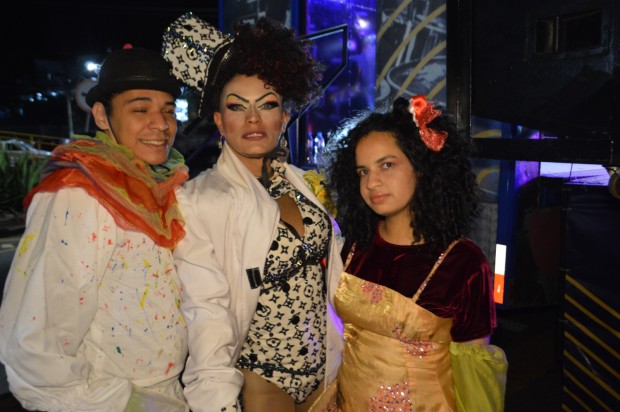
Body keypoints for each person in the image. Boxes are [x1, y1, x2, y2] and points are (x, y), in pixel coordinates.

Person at [162, 12, 344, 412]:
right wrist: (216, 399)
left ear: (285, 116)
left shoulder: (304, 185)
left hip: (328, 373)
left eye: (267, 105)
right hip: (262, 381)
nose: (252, 119)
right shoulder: (199, 199)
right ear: (219, 121)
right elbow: (206, 310)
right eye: (237, 106)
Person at [0, 46, 190, 411]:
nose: (161, 124)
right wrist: (121, 404)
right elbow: (36, 335)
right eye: (140, 109)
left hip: (167, 395)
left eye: (168, 110)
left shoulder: (159, 188)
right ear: (102, 116)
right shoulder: (78, 194)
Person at [310, 95, 508, 411]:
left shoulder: (463, 263)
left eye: (387, 165)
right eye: (362, 172)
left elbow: (475, 377)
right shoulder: (355, 245)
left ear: (422, 167)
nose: (372, 183)